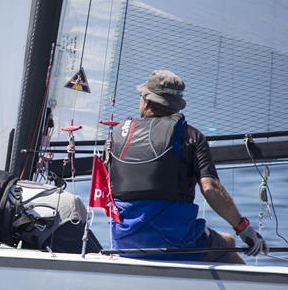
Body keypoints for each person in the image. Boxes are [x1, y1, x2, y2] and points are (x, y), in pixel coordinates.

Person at [107, 69, 267, 263]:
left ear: (146, 101)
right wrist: (244, 229)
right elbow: (210, 188)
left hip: (123, 242)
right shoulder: (192, 136)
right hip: (178, 242)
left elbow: (106, 187)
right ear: (176, 106)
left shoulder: (116, 136)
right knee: (228, 243)